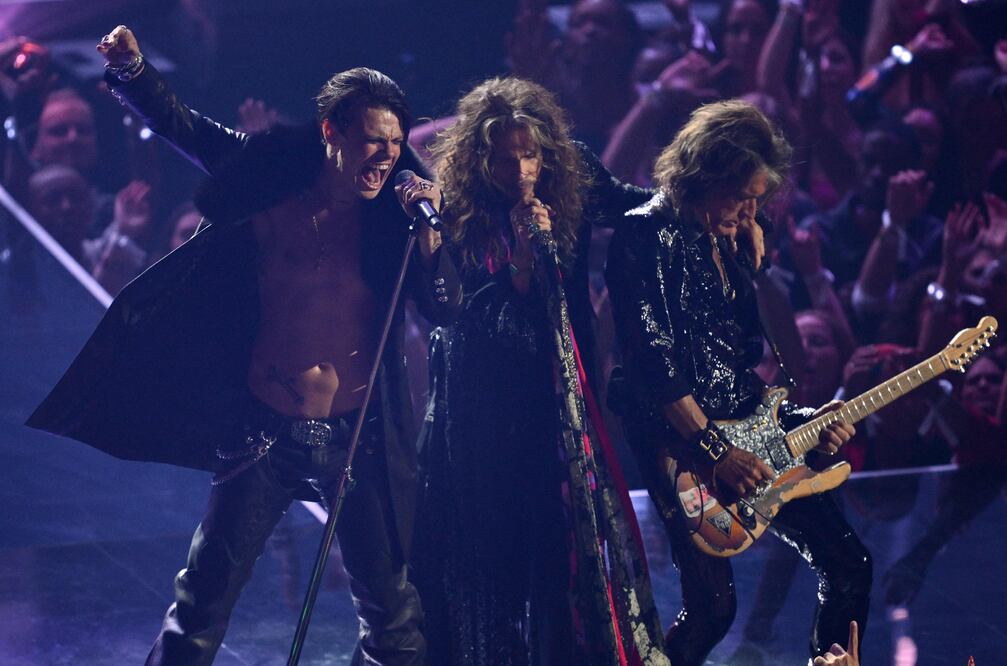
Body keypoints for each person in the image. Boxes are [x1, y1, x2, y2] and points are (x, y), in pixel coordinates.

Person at [26, 25, 462, 666]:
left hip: (360, 436)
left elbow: (446, 306)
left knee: (393, 618)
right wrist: (133, 71)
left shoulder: (400, 212)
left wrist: (430, 243)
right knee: (201, 603)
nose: (386, 156)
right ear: (331, 132)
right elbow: (187, 129)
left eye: (396, 143)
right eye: (374, 139)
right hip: (265, 430)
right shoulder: (269, 180)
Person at [606, 99, 871, 665]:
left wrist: (803, 423)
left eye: (759, 197)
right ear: (707, 176)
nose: (753, 210)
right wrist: (717, 450)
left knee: (849, 563)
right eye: (742, 195)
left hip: (746, 425)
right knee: (712, 610)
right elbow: (654, 364)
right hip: (682, 443)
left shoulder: (726, 235)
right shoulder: (644, 235)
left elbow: (739, 362)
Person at [413, 76, 666, 665]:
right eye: (506, 160)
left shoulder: (573, 175)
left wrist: (715, 208)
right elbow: (464, 314)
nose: (522, 170)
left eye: (530, 154)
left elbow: (640, 209)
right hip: (484, 404)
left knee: (560, 544)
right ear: (480, 160)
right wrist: (522, 264)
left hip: (559, 396)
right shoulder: (457, 210)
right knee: (490, 548)